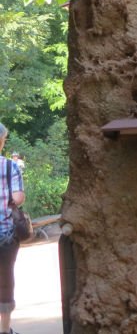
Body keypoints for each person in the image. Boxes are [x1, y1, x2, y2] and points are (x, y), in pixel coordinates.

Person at [0, 124, 25, 334]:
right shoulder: (10, 167)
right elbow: (17, 198)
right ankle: (5, 330)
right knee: (5, 280)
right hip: (6, 235)